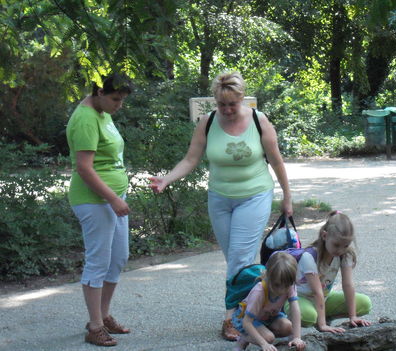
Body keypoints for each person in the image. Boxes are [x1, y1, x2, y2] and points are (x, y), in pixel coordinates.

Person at [149, 72, 293, 341]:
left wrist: (287, 196)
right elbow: (190, 159)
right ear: (215, 101)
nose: (227, 110)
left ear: (242, 100)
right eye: (221, 104)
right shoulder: (208, 122)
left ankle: (233, 319)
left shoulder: (259, 121)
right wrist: (166, 179)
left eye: (232, 104)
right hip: (220, 198)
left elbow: (277, 161)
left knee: (239, 258)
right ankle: (258, 309)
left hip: (254, 195)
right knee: (235, 260)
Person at [66, 74, 133, 347]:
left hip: (112, 197)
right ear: (98, 92)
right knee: (98, 261)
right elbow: (84, 168)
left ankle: (104, 316)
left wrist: (118, 195)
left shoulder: (102, 111)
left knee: (118, 257)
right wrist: (112, 199)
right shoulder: (86, 119)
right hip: (94, 200)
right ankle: (94, 326)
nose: (119, 105)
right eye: (115, 99)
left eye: (122, 100)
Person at [284, 210, 372, 333]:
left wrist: (353, 316)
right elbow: (317, 292)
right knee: (309, 316)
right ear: (325, 236)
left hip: (324, 298)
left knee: (364, 303)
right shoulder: (309, 257)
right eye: (336, 245)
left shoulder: (345, 255)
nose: (340, 250)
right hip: (300, 299)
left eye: (345, 245)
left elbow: (348, 285)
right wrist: (323, 325)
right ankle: (298, 318)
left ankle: (324, 315)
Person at [231, 251, 306, 351]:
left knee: (288, 327)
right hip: (248, 319)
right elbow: (246, 322)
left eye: (286, 286)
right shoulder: (259, 291)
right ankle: (243, 338)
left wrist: (297, 337)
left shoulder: (288, 284)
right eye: (277, 285)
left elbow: (295, 310)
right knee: (269, 338)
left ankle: (262, 333)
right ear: (268, 276)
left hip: (269, 317)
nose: (282, 290)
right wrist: (263, 344)